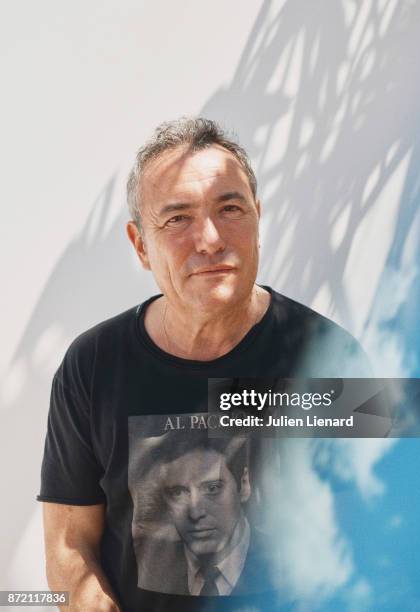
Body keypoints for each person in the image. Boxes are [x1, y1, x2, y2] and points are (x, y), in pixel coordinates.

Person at [38, 117, 370, 612]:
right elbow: (70, 544)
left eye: (229, 208)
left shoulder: (329, 358)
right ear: (140, 245)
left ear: (258, 219)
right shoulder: (91, 366)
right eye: (177, 219)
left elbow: (375, 535)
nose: (210, 238)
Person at [132, 431, 272, 597]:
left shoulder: (284, 561)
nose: (195, 513)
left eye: (212, 489)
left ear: (244, 486)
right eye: (178, 493)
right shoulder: (151, 569)